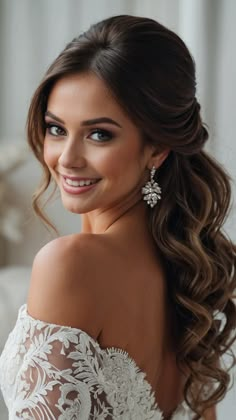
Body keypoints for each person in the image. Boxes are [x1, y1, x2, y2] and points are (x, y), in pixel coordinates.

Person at [0, 14, 235, 420]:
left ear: (157, 149)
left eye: (99, 134)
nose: (67, 158)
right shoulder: (189, 278)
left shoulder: (70, 264)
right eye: (56, 129)